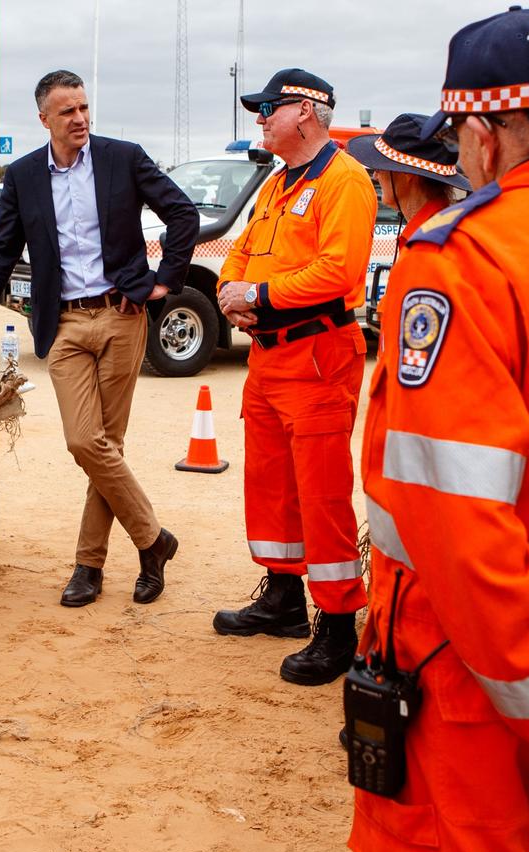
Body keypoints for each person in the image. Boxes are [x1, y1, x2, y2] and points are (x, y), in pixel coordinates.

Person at [350, 7, 529, 852]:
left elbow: (454, 525)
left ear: (487, 136)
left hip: (481, 685)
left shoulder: (464, 260)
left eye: (459, 141)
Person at [0, 70, 199, 608]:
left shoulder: (122, 157)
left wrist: (164, 281)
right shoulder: (23, 177)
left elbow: (181, 213)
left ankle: (89, 565)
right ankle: (153, 540)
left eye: (84, 107)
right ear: (45, 119)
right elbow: (0, 253)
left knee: (105, 443)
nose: (80, 118)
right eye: (68, 111)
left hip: (121, 315)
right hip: (62, 326)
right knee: (87, 442)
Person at [213, 68, 377, 686]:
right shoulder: (280, 183)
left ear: (306, 111)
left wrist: (262, 293)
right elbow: (241, 250)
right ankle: (283, 598)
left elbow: (338, 270)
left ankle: (336, 627)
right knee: (272, 484)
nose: (260, 119)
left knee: (323, 494)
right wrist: (231, 289)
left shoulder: (345, 181)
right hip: (269, 360)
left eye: (268, 109)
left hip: (317, 357)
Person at [346, 113, 471, 262]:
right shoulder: (440, 233)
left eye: (380, 168)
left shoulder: (427, 247)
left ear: (406, 174)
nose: (375, 176)